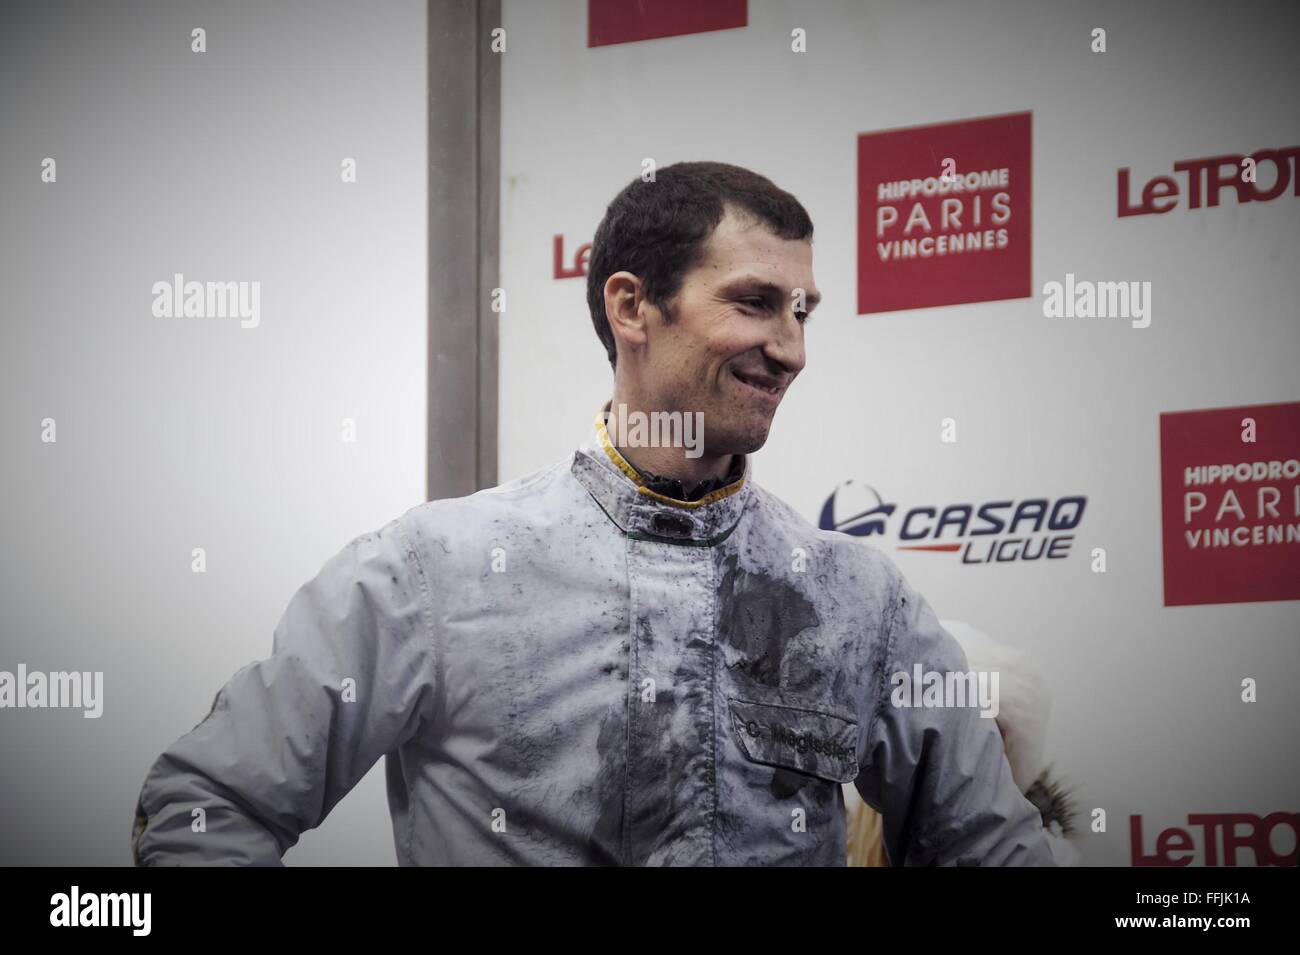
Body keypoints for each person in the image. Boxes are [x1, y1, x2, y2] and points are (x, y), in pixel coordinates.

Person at [132, 161, 1056, 866]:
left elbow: (994, 848)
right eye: (755, 304)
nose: (791, 348)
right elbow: (209, 806)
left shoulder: (861, 598)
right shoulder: (431, 571)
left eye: (804, 311)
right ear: (631, 305)